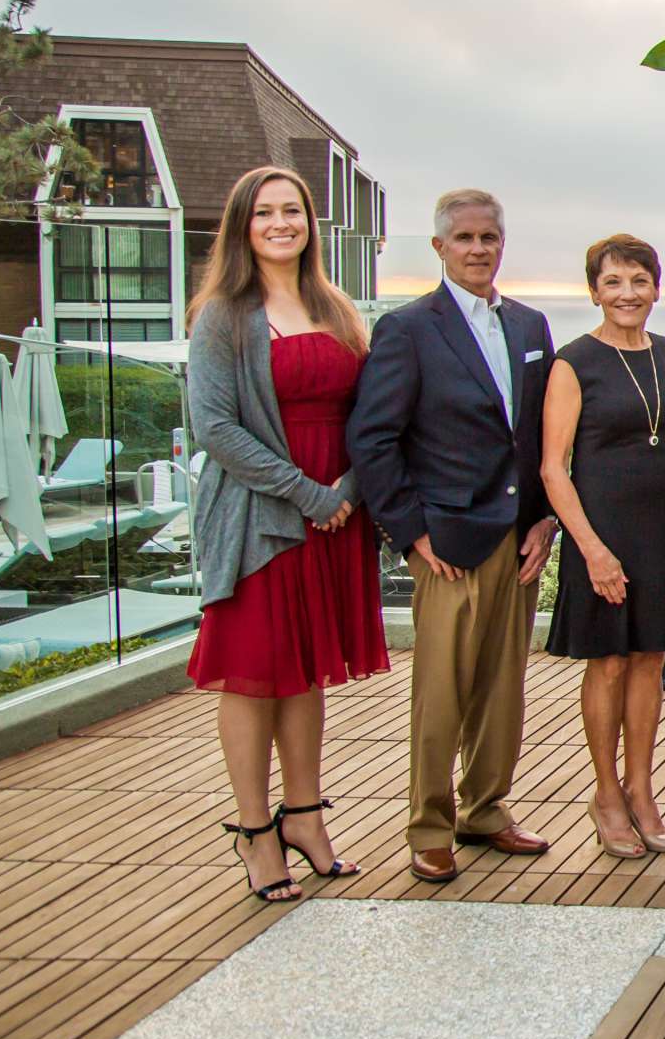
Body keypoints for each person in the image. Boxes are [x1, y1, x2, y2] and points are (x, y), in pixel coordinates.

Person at [185, 166, 387, 902]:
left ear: (310, 223)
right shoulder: (223, 315)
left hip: (336, 511)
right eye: (265, 212)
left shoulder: (333, 306)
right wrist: (306, 493)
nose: (281, 223)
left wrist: (349, 492)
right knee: (252, 672)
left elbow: (368, 415)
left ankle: (305, 816)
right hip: (260, 519)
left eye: (292, 211)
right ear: (243, 227)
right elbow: (213, 427)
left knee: (306, 673)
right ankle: (253, 832)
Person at [348, 189, 560, 884]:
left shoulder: (531, 327)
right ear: (439, 248)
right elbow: (373, 439)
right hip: (447, 542)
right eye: (464, 238)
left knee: (504, 687)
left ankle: (487, 809)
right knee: (440, 693)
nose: (478, 248)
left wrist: (544, 522)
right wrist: (410, 533)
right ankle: (429, 824)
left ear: (503, 244)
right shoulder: (408, 329)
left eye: (489, 237)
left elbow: (533, 439)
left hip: (518, 538)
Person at [541, 234, 665, 859]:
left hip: (662, 530)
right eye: (614, 283)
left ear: (656, 287)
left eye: (639, 281)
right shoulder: (573, 363)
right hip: (600, 531)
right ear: (594, 291)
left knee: (651, 661)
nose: (628, 294)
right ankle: (605, 792)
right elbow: (554, 468)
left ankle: (642, 788)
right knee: (608, 661)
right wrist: (591, 550)